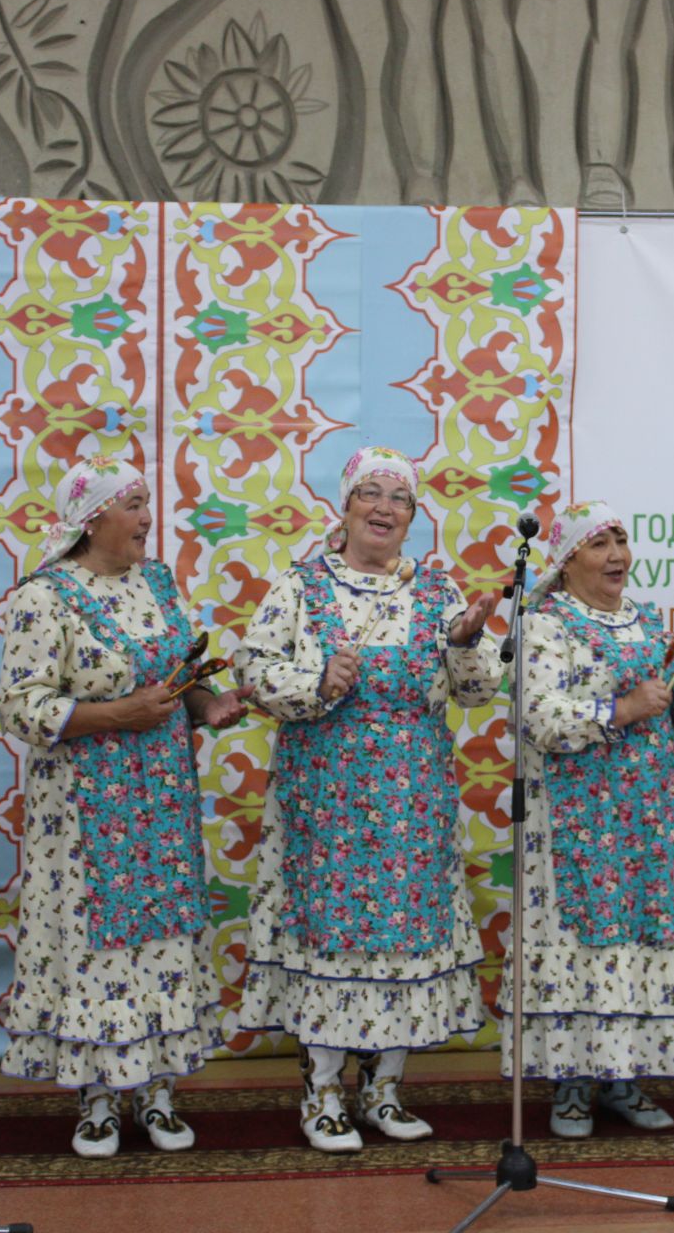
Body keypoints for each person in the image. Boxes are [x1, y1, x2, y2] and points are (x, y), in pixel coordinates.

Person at [233, 447, 500, 1153]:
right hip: (328, 808)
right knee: (336, 945)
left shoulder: (438, 593)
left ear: (414, 516)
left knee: (404, 945)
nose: (384, 508)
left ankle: (384, 1092)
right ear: (344, 506)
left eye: (400, 498)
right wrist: (319, 680)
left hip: (415, 804)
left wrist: (470, 643)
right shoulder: (299, 587)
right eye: (369, 494)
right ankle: (321, 1095)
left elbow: (477, 694)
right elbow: (252, 671)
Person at [0, 455, 249, 1158]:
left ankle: (159, 1091)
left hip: (161, 801)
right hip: (83, 812)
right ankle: (98, 1099)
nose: (147, 517)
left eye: (146, 502)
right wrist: (116, 715)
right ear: (91, 518)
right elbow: (20, 707)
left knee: (160, 941)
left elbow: (175, 679)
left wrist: (207, 704)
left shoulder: (157, 581)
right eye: (134, 504)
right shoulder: (43, 597)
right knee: (96, 946)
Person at [507, 501, 674, 1137]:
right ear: (568, 556)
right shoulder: (545, 624)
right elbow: (540, 719)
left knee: (638, 942)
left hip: (647, 823)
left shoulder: (648, 622)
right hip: (578, 825)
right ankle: (571, 1086)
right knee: (579, 945)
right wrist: (625, 708)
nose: (617, 556)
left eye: (622, 541)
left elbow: (671, 724)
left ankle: (624, 1078)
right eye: (600, 543)